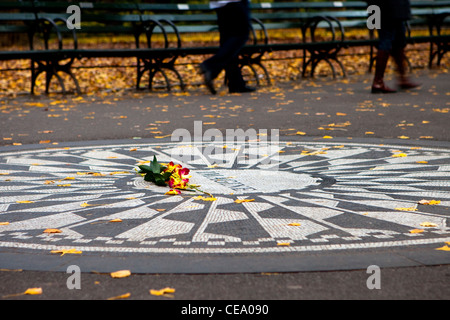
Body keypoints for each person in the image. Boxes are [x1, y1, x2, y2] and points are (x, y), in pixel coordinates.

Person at [199, 0, 256, 94]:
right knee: (241, 35)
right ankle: (210, 65)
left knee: (228, 40)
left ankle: (236, 83)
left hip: (220, 5)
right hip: (235, 2)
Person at [371, 0, 420, 93]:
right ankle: (378, 81)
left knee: (399, 41)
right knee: (386, 39)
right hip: (387, 8)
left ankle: (402, 78)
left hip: (388, 8)